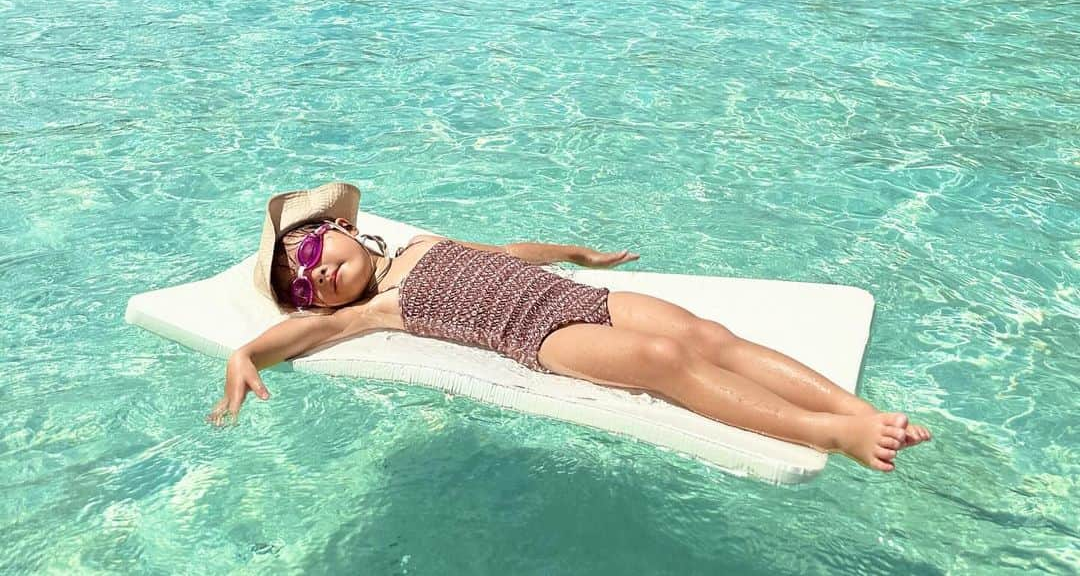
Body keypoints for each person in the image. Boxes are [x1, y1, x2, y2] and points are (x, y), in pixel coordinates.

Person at [207, 184, 930, 472]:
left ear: (336, 229)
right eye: (302, 287)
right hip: (540, 337)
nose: (316, 277)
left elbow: (505, 254)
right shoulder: (378, 305)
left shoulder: (420, 243)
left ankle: (860, 413)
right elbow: (306, 337)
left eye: (309, 255)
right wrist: (248, 352)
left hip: (564, 292)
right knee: (660, 360)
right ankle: (832, 435)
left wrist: (573, 253)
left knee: (707, 335)